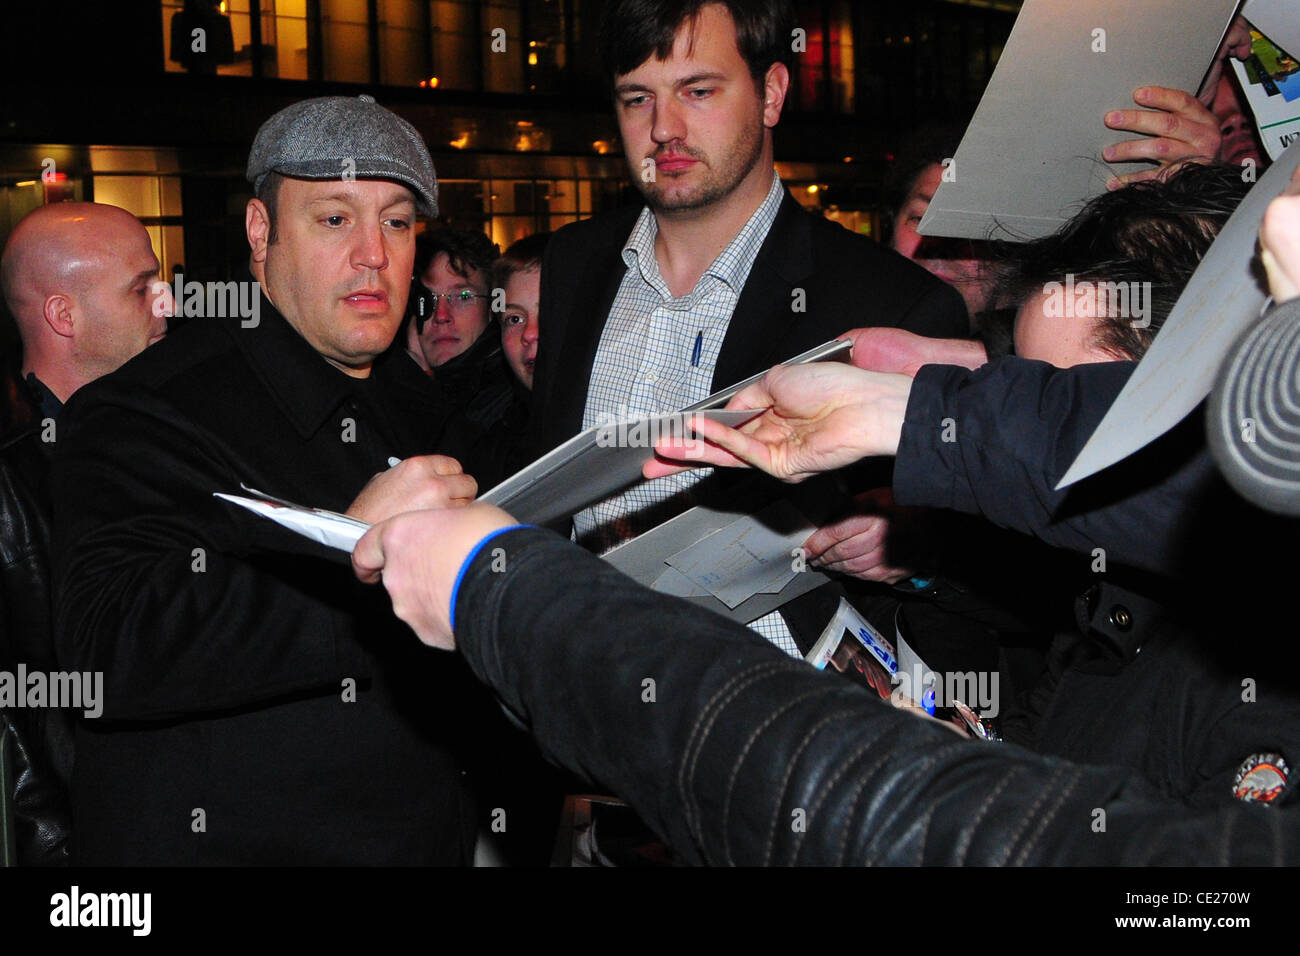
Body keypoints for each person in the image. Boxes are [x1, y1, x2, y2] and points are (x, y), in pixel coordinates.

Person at [344, 165, 1300, 864]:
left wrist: (504, 593)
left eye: (1069, 393)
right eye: (1023, 380)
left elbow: (918, 831)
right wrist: (915, 411)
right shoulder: (1129, 609)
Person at [50, 95, 486, 865]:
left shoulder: (426, 409)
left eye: (395, 221)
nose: (373, 256)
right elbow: (104, 649)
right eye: (333, 220)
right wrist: (353, 550)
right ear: (261, 233)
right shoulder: (150, 407)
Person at [531, 0, 967, 657]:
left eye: (697, 91)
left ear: (771, 93)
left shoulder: (893, 306)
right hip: (584, 687)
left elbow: (1001, 565)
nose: (663, 130)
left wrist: (918, 546)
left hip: (782, 720)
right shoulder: (572, 264)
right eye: (636, 98)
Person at [0, 202, 168, 865]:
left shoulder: (145, 443)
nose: (167, 306)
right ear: (64, 316)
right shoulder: (14, 476)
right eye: (141, 288)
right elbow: (20, 722)